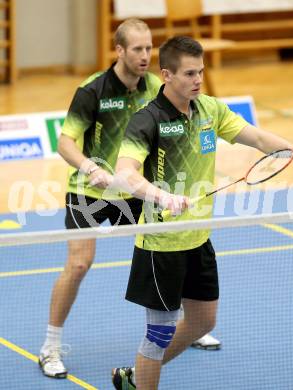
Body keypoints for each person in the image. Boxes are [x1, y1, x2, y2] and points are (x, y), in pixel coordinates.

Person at [111, 36, 293, 389]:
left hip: (198, 239)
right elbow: (124, 173)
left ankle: (135, 375)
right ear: (166, 75)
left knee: (203, 322)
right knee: (158, 336)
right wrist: (161, 196)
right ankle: (141, 380)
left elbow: (256, 138)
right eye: (189, 73)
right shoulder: (147, 120)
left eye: (201, 71)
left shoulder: (209, 109)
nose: (198, 79)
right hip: (162, 245)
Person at [38, 18, 162, 379]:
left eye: (148, 48)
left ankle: (186, 327)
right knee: (79, 264)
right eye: (137, 49)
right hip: (89, 188)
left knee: (168, 252)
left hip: (133, 188)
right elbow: (65, 142)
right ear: (119, 50)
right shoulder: (92, 89)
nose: (144, 56)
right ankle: (50, 346)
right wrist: (91, 168)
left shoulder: (154, 86)